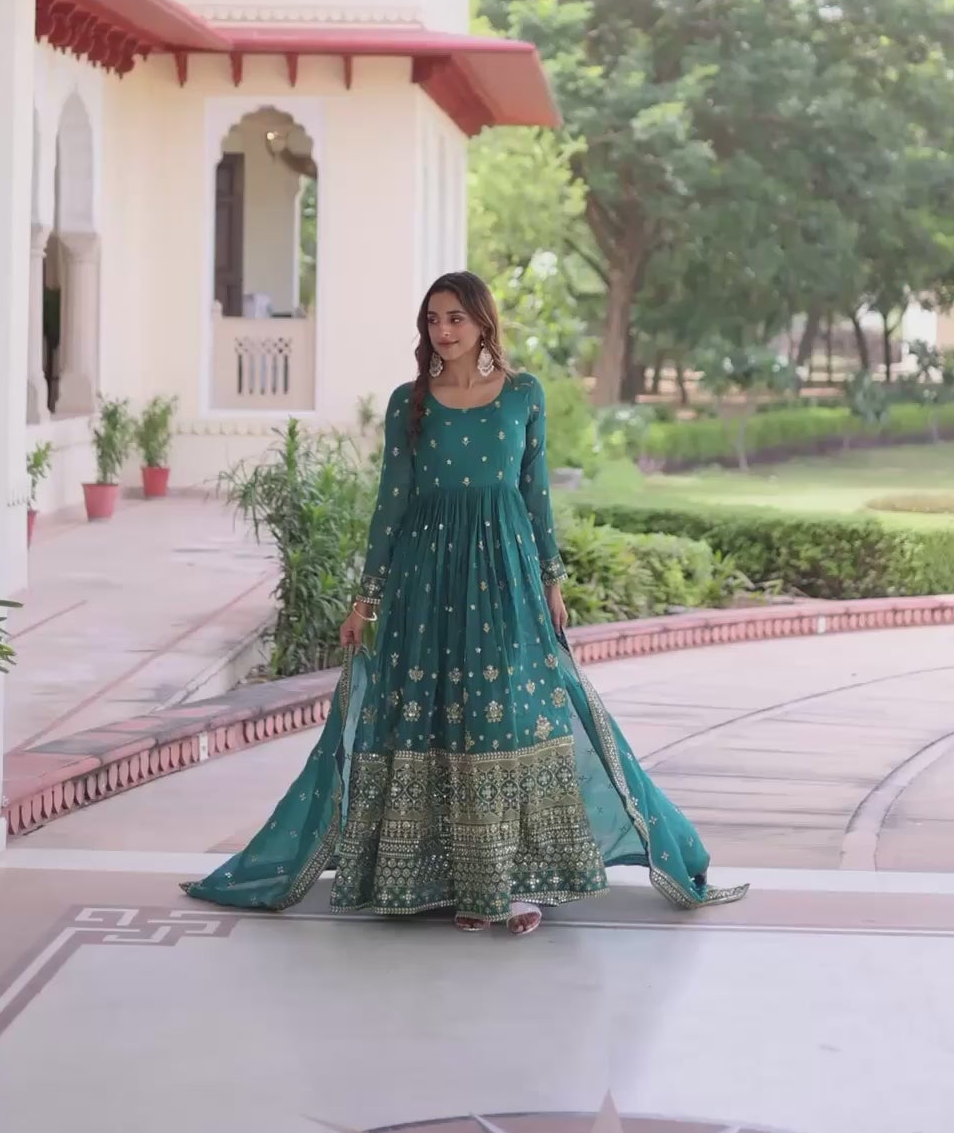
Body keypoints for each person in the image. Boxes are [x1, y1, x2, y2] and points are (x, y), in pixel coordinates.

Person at [183, 272, 747, 935]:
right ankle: (438, 883)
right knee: (428, 721)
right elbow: (391, 503)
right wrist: (367, 597)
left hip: (505, 575)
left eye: (454, 318)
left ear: (482, 321)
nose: (442, 332)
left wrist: (553, 581)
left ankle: (499, 879)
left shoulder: (523, 396)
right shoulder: (410, 402)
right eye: (432, 320)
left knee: (502, 713)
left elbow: (535, 496)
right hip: (425, 579)